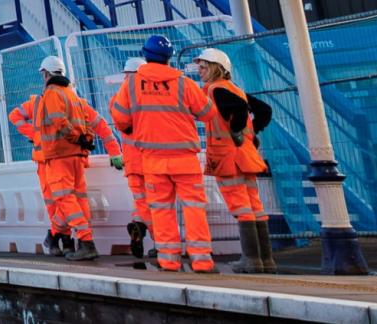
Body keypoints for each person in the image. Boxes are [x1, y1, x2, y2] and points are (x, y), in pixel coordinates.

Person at [111, 33, 216, 273]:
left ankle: (169, 261)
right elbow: (207, 113)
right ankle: (202, 261)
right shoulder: (184, 83)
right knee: (194, 209)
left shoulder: (131, 85)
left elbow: (120, 118)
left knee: (161, 211)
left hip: (153, 160)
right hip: (185, 160)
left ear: (145, 56)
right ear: (169, 58)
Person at [9, 53, 120, 261]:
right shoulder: (73, 99)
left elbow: (60, 122)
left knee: (62, 201)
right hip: (67, 156)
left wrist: (72, 138)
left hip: (56, 157)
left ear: (46, 74)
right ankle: (63, 240)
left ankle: (67, 239)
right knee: (71, 201)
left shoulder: (50, 96)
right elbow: (99, 125)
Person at [192, 47, 275, 273]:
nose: (200, 71)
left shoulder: (215, 90)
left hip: (228, 156)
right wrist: (251, 132)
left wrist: (237, 129)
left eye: (203, 67)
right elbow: (264, 110)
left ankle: (251, 261)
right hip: (246, 154)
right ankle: (265, 261)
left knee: (240, 206)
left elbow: (238, 110)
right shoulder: (234, 89)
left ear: (216, 69)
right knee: (254, 205)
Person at [114, 56, 154, 269]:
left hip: (131, 162)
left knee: (141, 201)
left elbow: (120, 121)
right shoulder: (151, 96)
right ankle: (159, 242)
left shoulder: (118, 99)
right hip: (151, 158)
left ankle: (139, 225)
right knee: (157, 203)